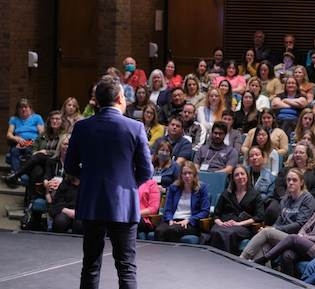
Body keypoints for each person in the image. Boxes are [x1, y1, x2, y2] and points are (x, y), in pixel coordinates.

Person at [64, 75, 153, 288]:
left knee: (90, 266)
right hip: (123, 204)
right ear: (121, 99)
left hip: (92, 203)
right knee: (126, 267)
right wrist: (128, 183)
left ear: (97, 100)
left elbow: (69, 167)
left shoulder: (82, 126)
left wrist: (89, 179)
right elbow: (146, 171)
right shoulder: (135, 127)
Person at [253, 182, 315, 277]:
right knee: (287, 254)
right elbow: (305, 227)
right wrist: (302, 235)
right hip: (305, 246)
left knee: (293, 238)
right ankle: (287, 283)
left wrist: (305, 237)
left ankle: (264, 259)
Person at [239, 168, 315, 263]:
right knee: (265, 246)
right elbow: (279, 221)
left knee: (266, 232)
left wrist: (273, 230)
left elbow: (300, 224)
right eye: (288, 180)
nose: (290, 183)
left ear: (301, 182)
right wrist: (273, 229)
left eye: (294, 180)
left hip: (296, 238)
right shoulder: (285, 199)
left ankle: (242, 259)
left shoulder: (307, 199)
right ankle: (259, 272)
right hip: (282, 235)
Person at [3, 111, 66, 200]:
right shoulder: (43, 134)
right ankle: (31, 202)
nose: (54, 121)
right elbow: (34, 147)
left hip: (54, 162)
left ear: (61, 122)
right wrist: (35, 153)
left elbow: (60, 150)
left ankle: (15, 175)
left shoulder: (64, 136)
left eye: (57, 119)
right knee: (36, 171)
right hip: (40, 162)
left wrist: (46, 152)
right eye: (52, 119)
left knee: (39, 156)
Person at [266, 142, 315, 224]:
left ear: (308, 155)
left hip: (307, 201)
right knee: (271, 210)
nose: (298, 154)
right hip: (284, 199)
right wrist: (286, 199)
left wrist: (301, 199)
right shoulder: (285, 169)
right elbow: (279, 187)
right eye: (296, 152)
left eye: (301, 152)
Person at [208, 165, 265, 255]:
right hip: (224, 224)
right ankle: (214, 260)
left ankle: (229, 261)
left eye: (242, 174)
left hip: (242, 226)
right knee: (215, 231)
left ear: (247, 175)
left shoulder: (255, 194)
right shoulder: (226, 194)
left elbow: (259, 216)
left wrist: (238, 224)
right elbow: (216, 215)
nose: (240, 177)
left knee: (229, 233)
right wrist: (221, 223)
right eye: (237, 175)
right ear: (233, 178)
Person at [154, 161, 210, 242]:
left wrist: (188, 220)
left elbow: (205, 211)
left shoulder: (201, 188)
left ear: (194, 174)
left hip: (191, 223)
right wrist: (170, 220)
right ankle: (158, 254)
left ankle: (170, 254)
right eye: (184, 173)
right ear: (180, 175)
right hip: (173, 220)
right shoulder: (174, 187)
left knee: (172, 230)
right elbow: (168, 209)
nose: (187, 176)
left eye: (190, 173)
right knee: (159, 231)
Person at [5, 98, 44, 173]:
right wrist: (16, 138)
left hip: (32, 144)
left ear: (30, 108)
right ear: (17, 109)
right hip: (19, 144)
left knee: (28, 151)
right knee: (14, 151)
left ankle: (22, 172)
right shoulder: (14, 119)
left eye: (25, 107)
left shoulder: (37, 118)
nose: (23, 109)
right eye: (21, 107)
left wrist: (35, 141)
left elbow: (42, 133)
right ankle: (14, 173)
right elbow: (9, 134)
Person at [43, 134, 71, 205]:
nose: (67, 147)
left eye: (69, 144)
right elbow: (46, 178)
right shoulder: (51, 161)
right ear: (59, 146)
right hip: (51, 189)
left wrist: (60, 185)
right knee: (53, 194)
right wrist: (49, 185)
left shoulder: (74, 164)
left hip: (67, 191)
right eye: (65, 144)